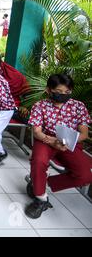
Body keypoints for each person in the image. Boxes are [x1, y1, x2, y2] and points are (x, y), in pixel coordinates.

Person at [25, 74, 92, 219]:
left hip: (69, 143)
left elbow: (84, 134)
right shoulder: (40, 106)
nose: (63, 95)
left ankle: (41, 182)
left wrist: (67, 143)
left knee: (85, 175)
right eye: (59, 92)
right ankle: (41, 198)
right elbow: (36, 131)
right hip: (46, 140)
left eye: (67, 92)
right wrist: (52, 141)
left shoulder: (78, 106)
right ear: (49, 90)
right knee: (39, 161)